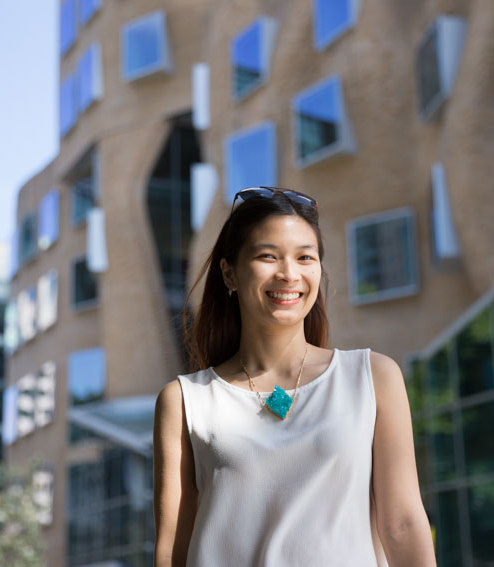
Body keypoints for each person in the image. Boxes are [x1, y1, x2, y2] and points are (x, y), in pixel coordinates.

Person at [153, 187, 436, 566]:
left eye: (305, 257)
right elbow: (173, 549)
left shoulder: (373, 378)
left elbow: (402, 524)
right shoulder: (186, 401)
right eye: (268, 256)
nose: (289, 274)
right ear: (229, 273)